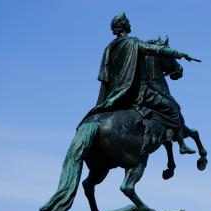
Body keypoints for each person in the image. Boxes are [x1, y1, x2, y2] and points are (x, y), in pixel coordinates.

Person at [82, 12, 195, 154]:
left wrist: (100, 105)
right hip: (138, 92)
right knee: (172, 109)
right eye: (128, 22)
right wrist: (179, 54)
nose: (130, 24)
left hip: (115, 95)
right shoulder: (132, 42)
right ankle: (182, 144)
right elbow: (155, 49)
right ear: (124, 26)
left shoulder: (108, 49)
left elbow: (104, 77)